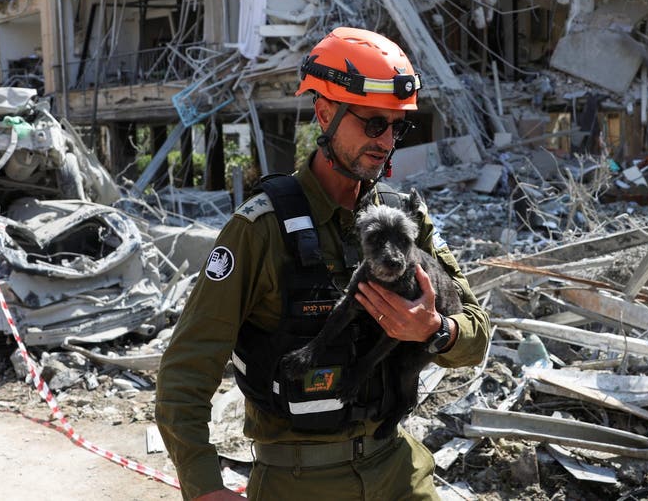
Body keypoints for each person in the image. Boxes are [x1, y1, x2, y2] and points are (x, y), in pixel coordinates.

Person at [156, 27, 490, 500]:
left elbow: (476, 339)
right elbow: (186, 369)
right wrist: (203, 485)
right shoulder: (260, 230)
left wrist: (435, 331)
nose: (386, 141)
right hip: (300, 482)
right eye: (374, 124)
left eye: (398, 127)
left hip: (398, 470)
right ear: (325, 112)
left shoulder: (405, 219)